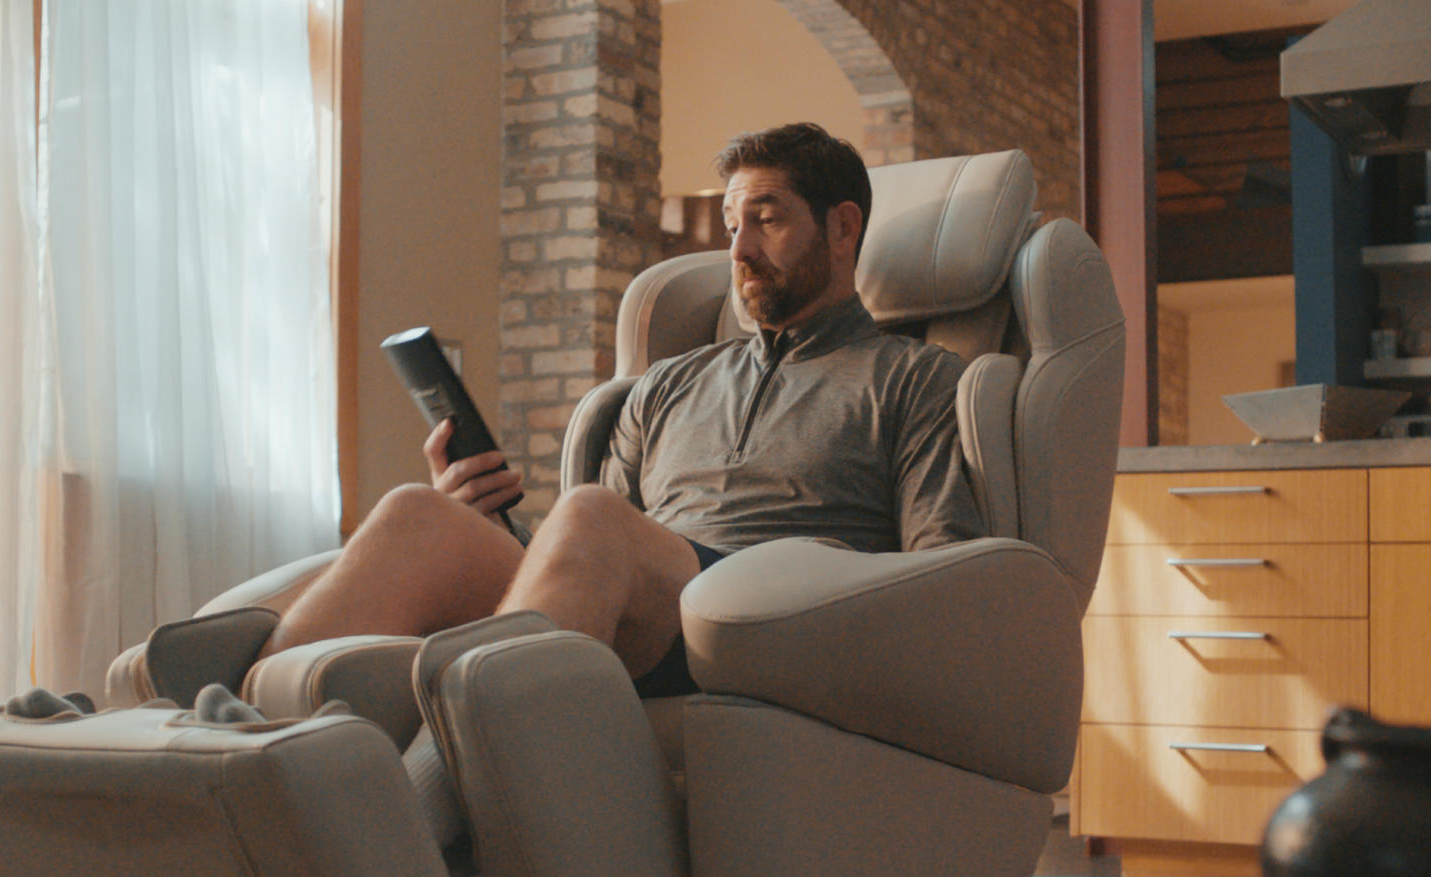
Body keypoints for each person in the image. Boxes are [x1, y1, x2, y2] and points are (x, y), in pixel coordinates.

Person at [244, 122, 983, 698]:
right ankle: (238, 724)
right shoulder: (669, 385)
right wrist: (481, 515)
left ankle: (438, 771)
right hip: (651, 606)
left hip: (779, 620)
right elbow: (587, 555)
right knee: (418, 515)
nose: (739, 250)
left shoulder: (915, 379)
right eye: (732, 225)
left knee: (593, 511)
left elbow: (941, 575)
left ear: (843, 227)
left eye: (767, 220)